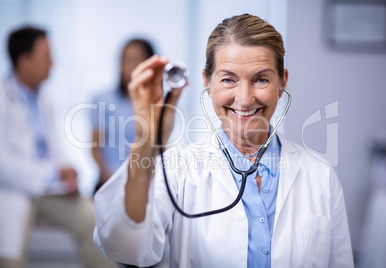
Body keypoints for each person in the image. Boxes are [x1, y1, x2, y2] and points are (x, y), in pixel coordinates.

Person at [93, 14, 354, 267]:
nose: (244, 98)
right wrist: (146, 145)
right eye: (228, 79)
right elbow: (126, 248)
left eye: (261, 79)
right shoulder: (177, 171)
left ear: (282, 82)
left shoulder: (321, 177)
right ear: (207, 82)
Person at [0, 26, 113, 268]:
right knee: (11, 258)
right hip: (11, 192)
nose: (53, 63)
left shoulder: (43, 98)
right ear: (24, 60)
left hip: (46, 188)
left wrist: (65, 169)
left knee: (91, 217)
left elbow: (52, 148)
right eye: (47, 56)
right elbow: (4, 165)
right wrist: (52, 173)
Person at [91, 39, 155, 194]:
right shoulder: (103, 99)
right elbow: (95, 148)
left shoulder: (158, 103)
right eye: (125, 60)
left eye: (136, 60)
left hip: (146, 184)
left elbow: (158, 150)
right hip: (109, 181)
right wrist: (110, 178)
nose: (129, 66)